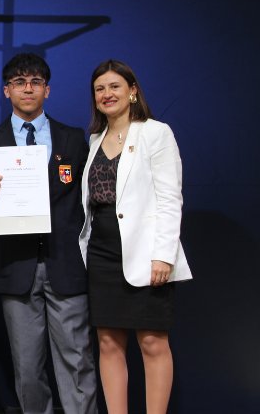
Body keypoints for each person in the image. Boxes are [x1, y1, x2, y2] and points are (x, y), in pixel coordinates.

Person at [0, 53, 98, 414]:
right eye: (19, 82)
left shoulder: (73, 138)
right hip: (16, 267)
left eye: (36, 82)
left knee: (77, 362)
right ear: (6, 91)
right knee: (27, 369)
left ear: (47, 90)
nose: (28, 89)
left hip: (65, 264)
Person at [79, 59, 192, 414]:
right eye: (99, 89)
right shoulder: (95, 139)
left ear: (132, 91)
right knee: (108, 342)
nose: (107, 94)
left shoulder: (156, 133)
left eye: (114, 86)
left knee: (153, 342)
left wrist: (164, 255)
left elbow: (170, 198)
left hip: (146, 252)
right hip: (102, 252)